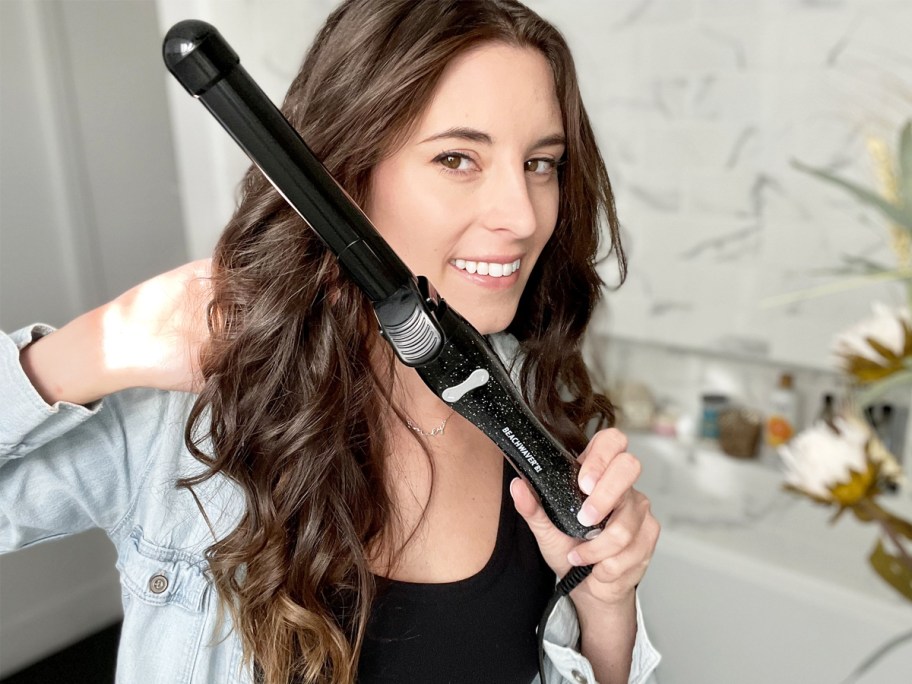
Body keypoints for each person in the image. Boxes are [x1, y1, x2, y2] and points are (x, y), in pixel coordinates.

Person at [1, 1, 661, 682]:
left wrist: (607, 602)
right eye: (458, 158)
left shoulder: (534, 402)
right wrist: (81, 356)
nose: (522, 216)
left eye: (542, 163)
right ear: (347, 172)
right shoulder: (188, 415)